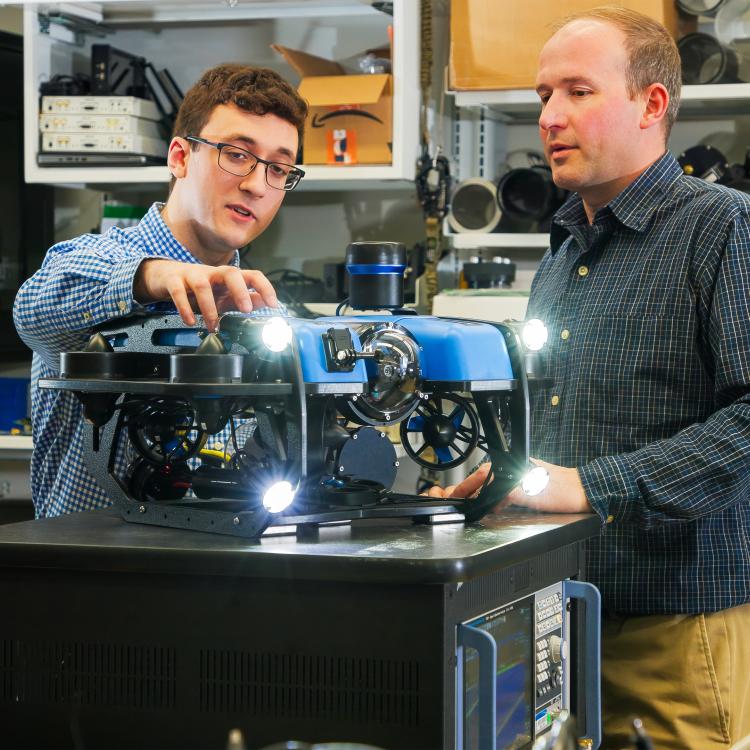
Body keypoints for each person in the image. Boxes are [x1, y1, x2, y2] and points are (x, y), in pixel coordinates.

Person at [428, 7, 750, 749]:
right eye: (544, 95)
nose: (550, 117)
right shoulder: (562, 251)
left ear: (652, 104)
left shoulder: (724, 228)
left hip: (672, 634)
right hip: (557, 622)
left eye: (577, 91)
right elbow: (563, 435)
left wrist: (592, 487)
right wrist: (508, 477)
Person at [13, 63, 308, 519]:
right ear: (179, 157)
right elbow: (33, 307)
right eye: (235, 153)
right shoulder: (96, 262)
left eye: (279, 167)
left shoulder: (262, 314)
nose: (255, 184)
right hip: (93, 576)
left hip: (220, 576)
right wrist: (156, 279)